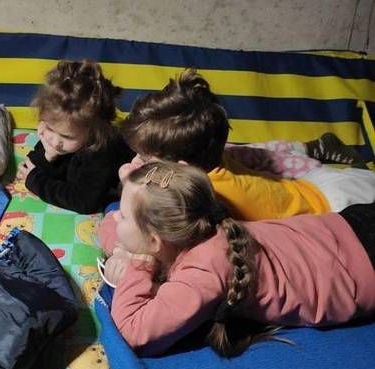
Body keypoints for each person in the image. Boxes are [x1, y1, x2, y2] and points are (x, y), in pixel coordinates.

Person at [101, 161, 375, 357]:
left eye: (123, 216)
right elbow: (109, 228)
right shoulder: (203, 222)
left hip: (365, 269)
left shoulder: (202, 275)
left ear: (154, 242)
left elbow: (132, 334)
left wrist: (137, 267)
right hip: (345, 226)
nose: (114, 217)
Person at [99, 69, 375, 255]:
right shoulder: (209, 155)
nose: (137, 161)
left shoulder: (212, 197)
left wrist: (130, 185)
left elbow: (174, 238)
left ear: (181, 167)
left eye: (145, 159)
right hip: (314, 187)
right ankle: (314, 149)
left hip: (336, 207)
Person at [17, 60, 134, 214]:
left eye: (66, 137)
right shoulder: (59, 135)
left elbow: (83, 202)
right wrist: (47, 156)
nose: (54, 141)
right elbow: (29, 166)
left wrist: (37, 181)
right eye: (49, 128)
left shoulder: (101, 152)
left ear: (93, 132)